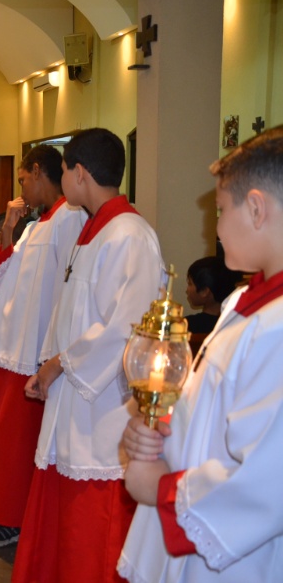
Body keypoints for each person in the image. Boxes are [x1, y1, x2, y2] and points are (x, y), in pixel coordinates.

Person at [118, 125, 283, 582]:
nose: (216, 225)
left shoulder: (279, 326)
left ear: (256, 208)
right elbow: (224, 410)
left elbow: (268, 482)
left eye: (221, 210)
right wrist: (163, 430)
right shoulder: (247, 300)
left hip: (241, 559)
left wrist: (161, 489)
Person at [12, 128, 163, 583]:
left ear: (79, 173)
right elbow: (72, 313)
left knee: (92, 532)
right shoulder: (94, 231)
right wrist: (49, 363)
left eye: (63, 171)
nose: (62, 179)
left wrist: (60, 364)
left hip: (102, 407)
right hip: (73, 397)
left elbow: (126, 327)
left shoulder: (130, 235)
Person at [0, 145, 87, 549]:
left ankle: (11, 517)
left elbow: (64, 290)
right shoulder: (38, 224)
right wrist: (10, 228)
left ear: (37, 171)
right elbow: (1, 272)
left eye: (22, 179)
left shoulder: (69, 218)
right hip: (11, 342)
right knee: (1, 435)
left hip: (34, 347)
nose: (21, 189)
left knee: (17, 440)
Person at [184, 255, 242, 335]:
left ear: (204, 291)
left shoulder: (186, 326)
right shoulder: (236, 324)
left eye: (190, 284)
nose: (187, 290)